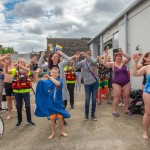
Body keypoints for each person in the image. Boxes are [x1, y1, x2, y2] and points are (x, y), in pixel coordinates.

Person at [35, 67, 70, 140]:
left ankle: (61, 131)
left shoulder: (60, 81)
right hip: (50, 104)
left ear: (58, 75)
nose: (54, 73)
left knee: (61, 119)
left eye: (56, 72)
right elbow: (38, 82)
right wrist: (37, 75)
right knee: (52, 119)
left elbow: (57, 84)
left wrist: (49, 77)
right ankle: (53, 133)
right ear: (50, 73)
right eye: (53, 72)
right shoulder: (46, 82)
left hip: (59, 104)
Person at [37, 50, 70, 125]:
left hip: (61, 86)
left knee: (63, 103)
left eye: (57, 57)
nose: (56, 58)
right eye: (54, 57)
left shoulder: (61, 64)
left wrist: (62, 53)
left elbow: (68, 60)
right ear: (51, 58)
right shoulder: (48, 66)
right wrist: (42, 56)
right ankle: (53, 119)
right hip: (52, 87)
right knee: (52, 102)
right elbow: (39, 65)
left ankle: (62, 118)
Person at [6, 58, 35, 127]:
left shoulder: (26, 70)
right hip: (17, 91)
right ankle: (19, 121)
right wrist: (6, 65)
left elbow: (27, 70)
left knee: (27, 106)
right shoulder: (14, 70)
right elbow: (7, 72)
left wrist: (18, 65)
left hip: (25, 91)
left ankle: (29, 120)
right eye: (20, 62)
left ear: (24, 64)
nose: (21, 63)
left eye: (22, 62)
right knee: (18, 107)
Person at [103, 48, 131, 117]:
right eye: (117, 56)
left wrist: (123, 53)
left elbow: (129, 58)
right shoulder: (113, 64)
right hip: (116, 83)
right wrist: (106, 55)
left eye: (120, 56)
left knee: (126, 96)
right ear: (115, 57)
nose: (119, 57)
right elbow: (104, 63)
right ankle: (114, 111)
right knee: (117, 96)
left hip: (126, 82)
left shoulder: (124, 62)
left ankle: (126, 110)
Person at [74, 50, 98, 121]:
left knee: (94, 99)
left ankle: (93, 115)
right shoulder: (82, 62)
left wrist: (86, 56)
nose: (88, 54)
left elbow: (94, 62)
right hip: (87, 83)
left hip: (94, 82)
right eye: (87, 53)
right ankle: (86, 115)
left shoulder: (93, 60)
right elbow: (76, 66)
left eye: (89, 53)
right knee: (87, 99)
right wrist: (76, 58)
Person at [132, 52, 150, 139]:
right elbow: (135, 74)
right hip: (148, 92)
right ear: (147, 59)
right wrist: (135, 62)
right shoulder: (146, 68)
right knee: (148, 112)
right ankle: (145, 131)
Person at [0, 54, 14, 119]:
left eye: (9, 58)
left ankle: (17, 109)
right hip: (7, 83)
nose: (9, 60)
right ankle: (9, 113)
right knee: (8, 98)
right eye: (7, 59)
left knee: (15, 97)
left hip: (14, 83)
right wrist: (5, 56)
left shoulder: (14, 64)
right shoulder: (4, 65)